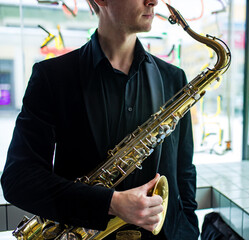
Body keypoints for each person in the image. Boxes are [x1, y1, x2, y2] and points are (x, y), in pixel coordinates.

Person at [1, 0, 199, 239]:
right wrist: (110, 203)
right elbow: (18, 179)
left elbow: (184, 171)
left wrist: (188, 229)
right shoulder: (53, 77)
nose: (154, 1)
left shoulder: (174, 79)